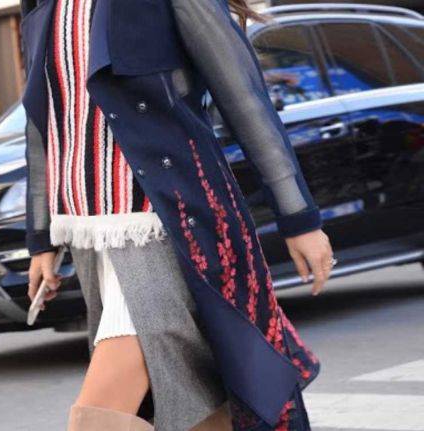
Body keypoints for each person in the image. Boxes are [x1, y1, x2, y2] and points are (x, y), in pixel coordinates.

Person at [21, 0, 335, 429]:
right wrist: (42, 238)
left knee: (105, 409)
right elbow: (43, 123)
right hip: (90, 235)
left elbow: (243, 97)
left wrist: (300, 219)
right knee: (184, 396)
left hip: (167, 223)